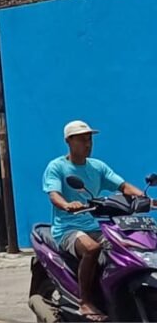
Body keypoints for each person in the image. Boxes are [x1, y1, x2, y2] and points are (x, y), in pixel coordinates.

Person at [43, 120, 146, 322]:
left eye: (89, 140)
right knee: (91, 249)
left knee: (129, 246)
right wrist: (67, 205)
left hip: (96, 225)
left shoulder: (97, 166)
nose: (88, 144)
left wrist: (145, 199)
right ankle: (85, 301)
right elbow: (54, 194)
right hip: (68, 228)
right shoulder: (57, 167)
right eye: (82, 140)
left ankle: (117, 296)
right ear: (69, 142)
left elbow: (123, 186)